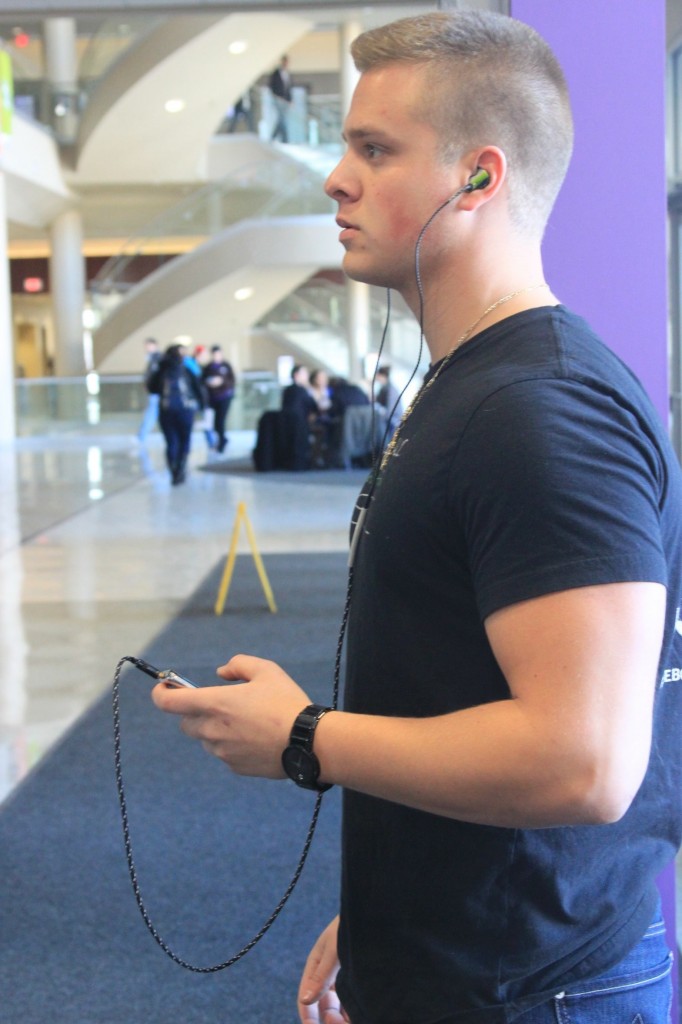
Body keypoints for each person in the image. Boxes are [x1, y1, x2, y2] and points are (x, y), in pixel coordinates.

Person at [152, 10, 682, 1024]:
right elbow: (462, 688)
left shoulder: (541, 411)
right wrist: (384, 915)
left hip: (536, 989)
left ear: (478, 178)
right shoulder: (474, 387)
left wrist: (306, 736)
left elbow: (585, 758)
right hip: (473, 956)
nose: (334, 178)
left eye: (374, 149)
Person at [147, 343, 205, 485]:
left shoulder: (161, 370)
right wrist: (203, 407)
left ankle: (173, 470)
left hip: (166, 411)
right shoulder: (185, 369)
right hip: (185, 411)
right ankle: (181, 467)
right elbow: (199, 389)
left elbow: (152, 388)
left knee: (171, 442)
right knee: (185, 440)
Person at [201, 345, 236, 454]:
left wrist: (221, 382)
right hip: (212, 399)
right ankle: (222, 439)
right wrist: (209, 382)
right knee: (214, 423)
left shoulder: (226, 365)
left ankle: (222, 443)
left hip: (224, 397)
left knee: (220, 421)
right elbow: (202, 381)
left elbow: (232, 380)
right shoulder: (208, 367)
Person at [137, 337, 161, 443]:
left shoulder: (158, 359)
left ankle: (141, 437)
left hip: (156, 392)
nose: (146, 348)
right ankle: (141, 437)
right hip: (153, 392)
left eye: (148, 345)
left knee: (151, 413)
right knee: (152, 413)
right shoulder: (151, 359)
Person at [374, 364, 402, 438]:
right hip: (389, 419)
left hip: (394, 421)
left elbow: (390, 412)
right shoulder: (383, 389)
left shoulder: (391, 390)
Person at [269, 55, 292, 143]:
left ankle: (273, 137)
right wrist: (276, 96)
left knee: (281, 119)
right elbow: (272, 85)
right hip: (278, 99)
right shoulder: (276, 73)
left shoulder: (287, 73)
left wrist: (290, 100)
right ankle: (285, 139)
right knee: (282, 118)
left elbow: (289, 88)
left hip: (285, 100)